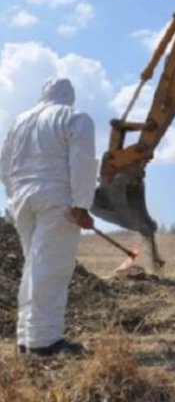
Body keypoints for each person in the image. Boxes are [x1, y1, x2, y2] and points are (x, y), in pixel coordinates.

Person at [0, 76, 97, 358]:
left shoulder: (19, 121)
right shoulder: (75, 117)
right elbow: (82, 162)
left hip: (22, 201)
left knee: (34, 268)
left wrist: (14, 196)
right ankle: (45, 342)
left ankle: (26, 339)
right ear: (70, 95)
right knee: (51, 269)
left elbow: (4, 166)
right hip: (56, 199)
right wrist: (81, 204)